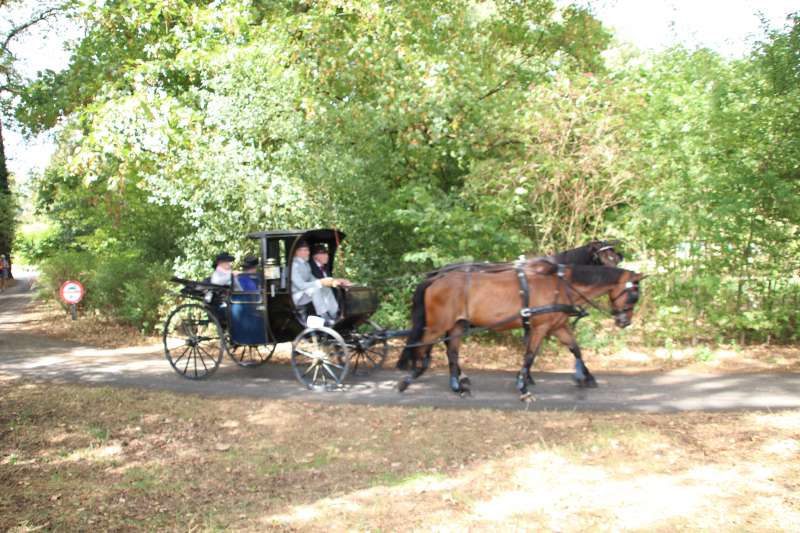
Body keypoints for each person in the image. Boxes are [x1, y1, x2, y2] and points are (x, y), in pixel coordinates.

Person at [291, 242, 350, 326]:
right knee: (315, 289)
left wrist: (324, 282)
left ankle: (334, 314)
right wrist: (320, 282)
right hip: (298, 295)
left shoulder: (305, 263)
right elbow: (301, 285)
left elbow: (312, 279)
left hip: (307, 292)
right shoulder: (294, 265)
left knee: (325, 287)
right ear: (297, 252)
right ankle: (324, 316)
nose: (308, 252)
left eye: (308, 250)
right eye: (306, 250)